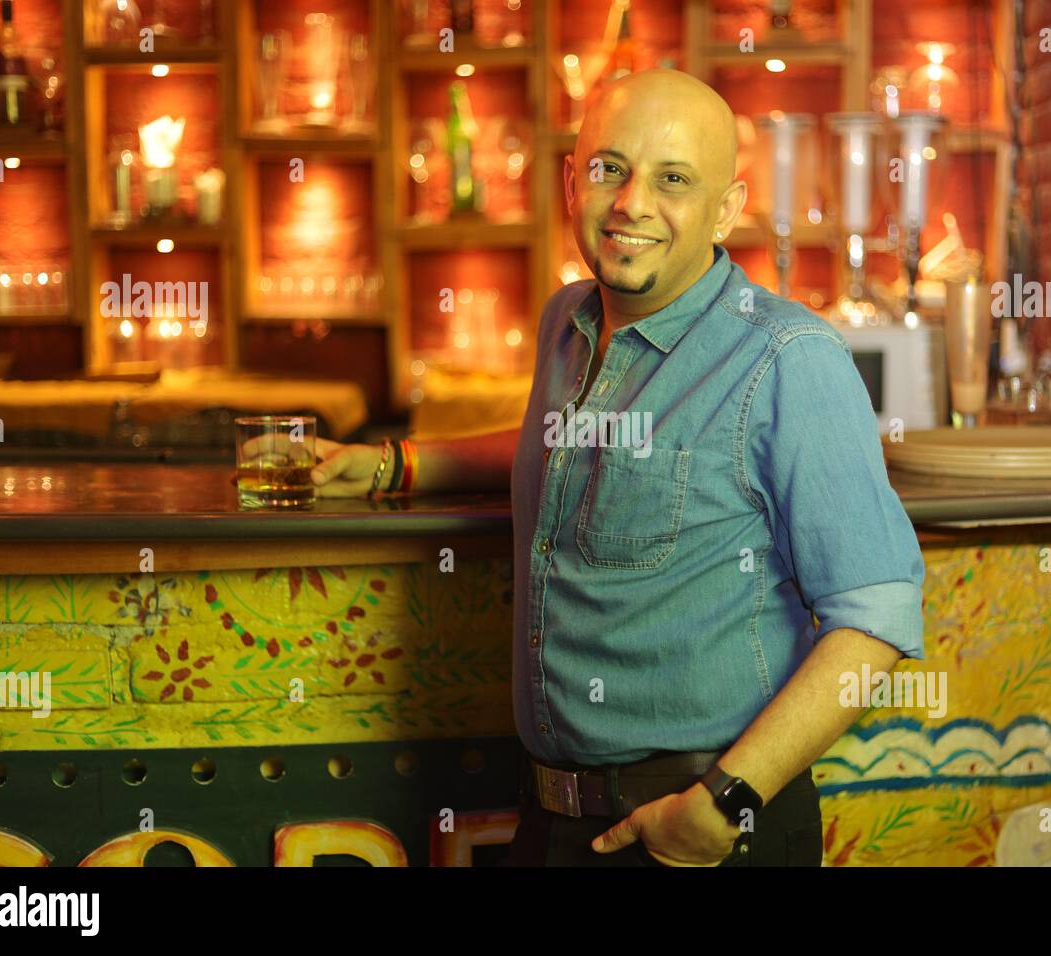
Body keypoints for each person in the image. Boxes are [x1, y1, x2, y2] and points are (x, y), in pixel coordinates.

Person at [310, 69, 924, 867]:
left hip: (697, 830)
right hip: (549, 820)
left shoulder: (787, 359)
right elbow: (576, 443)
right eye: (609, 168)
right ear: (572, 182)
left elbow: (876, 616)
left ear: (728, 209)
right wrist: (398, 464)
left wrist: (724, 803)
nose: (632, 201)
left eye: (673, 179)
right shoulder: (567, 321)